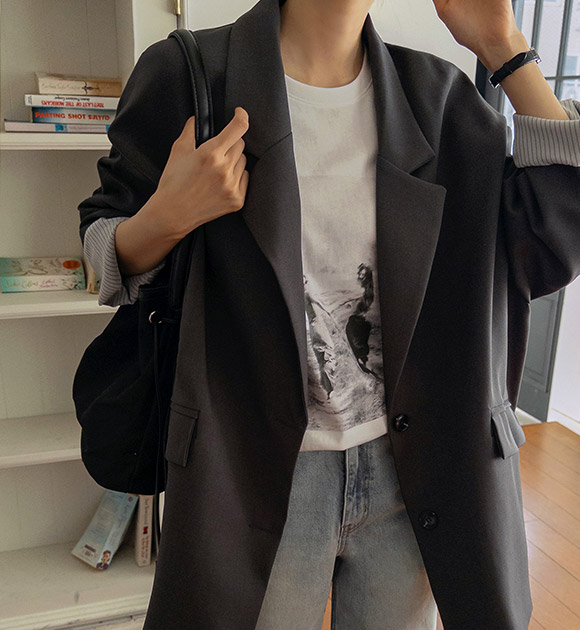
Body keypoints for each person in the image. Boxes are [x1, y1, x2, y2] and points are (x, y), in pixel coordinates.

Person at [78, 0, 580, 627]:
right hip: (251, 470)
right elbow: (100, 248)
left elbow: (552, 241)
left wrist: (505, 48)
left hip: (414, 475)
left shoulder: (439, 98)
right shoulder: (190, 73)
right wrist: (167, 216)